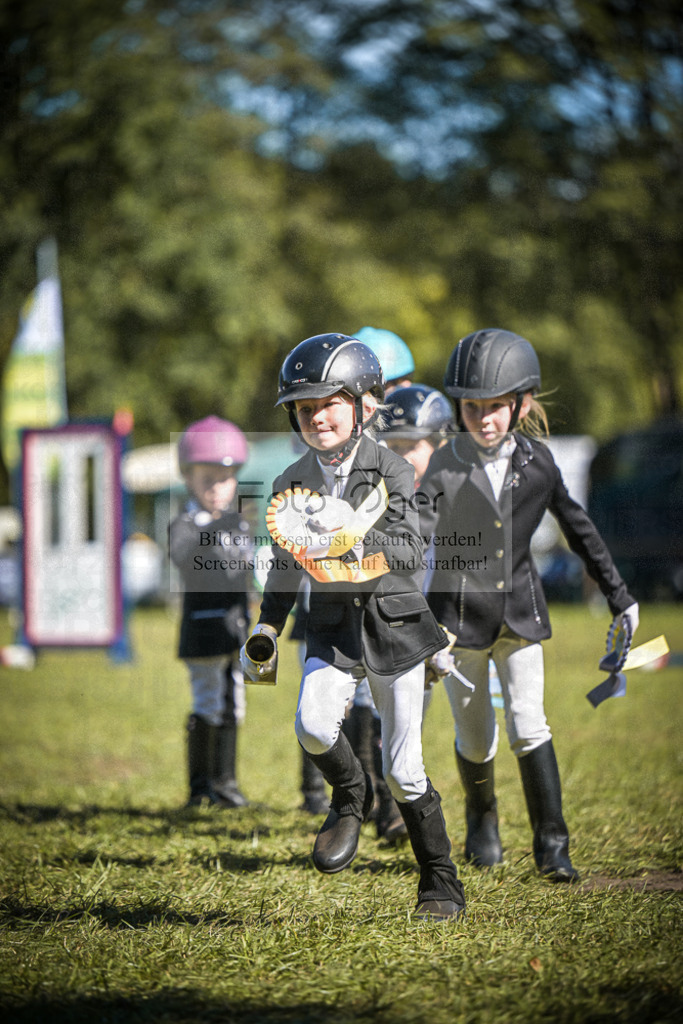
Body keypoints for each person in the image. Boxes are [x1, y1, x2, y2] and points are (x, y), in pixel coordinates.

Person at [241, 333, 466, 921]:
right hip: (333, 629)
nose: (317, 417)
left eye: (330, 404)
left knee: (405, 768)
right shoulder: (292, 478)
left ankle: (440, 883)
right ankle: (348, 793)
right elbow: (288, 564)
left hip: (393, 627)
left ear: (365, 404)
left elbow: (411, 552)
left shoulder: (391, 466)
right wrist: (266, 625)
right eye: (305, 408)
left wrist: (347, 534)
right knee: (313, 726)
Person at [419, 328, 639, 882]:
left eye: (496, 407)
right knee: (475, 735)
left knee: (528, 722)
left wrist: (619, 595)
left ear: (520, 404)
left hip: (519, 617)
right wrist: (422, 625)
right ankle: (483, 825)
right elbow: (417, 539)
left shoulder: (539, 464)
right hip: (457, 624)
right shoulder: (443, 466)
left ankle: (552, 846)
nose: (484, 418)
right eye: (473, 407)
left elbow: (579, 529)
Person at [169, 416, 253, 809]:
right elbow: (184, 556)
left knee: (234, 701)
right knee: (208, 701)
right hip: (203, 631)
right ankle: (200, 786)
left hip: (235, 630)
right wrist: (212, 530)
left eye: (225, 478)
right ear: (188, 478)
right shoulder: (185, 524)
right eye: (207, 479)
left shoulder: (241, 523)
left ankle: (226, 783)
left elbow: (246, 569)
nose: (217, 488)